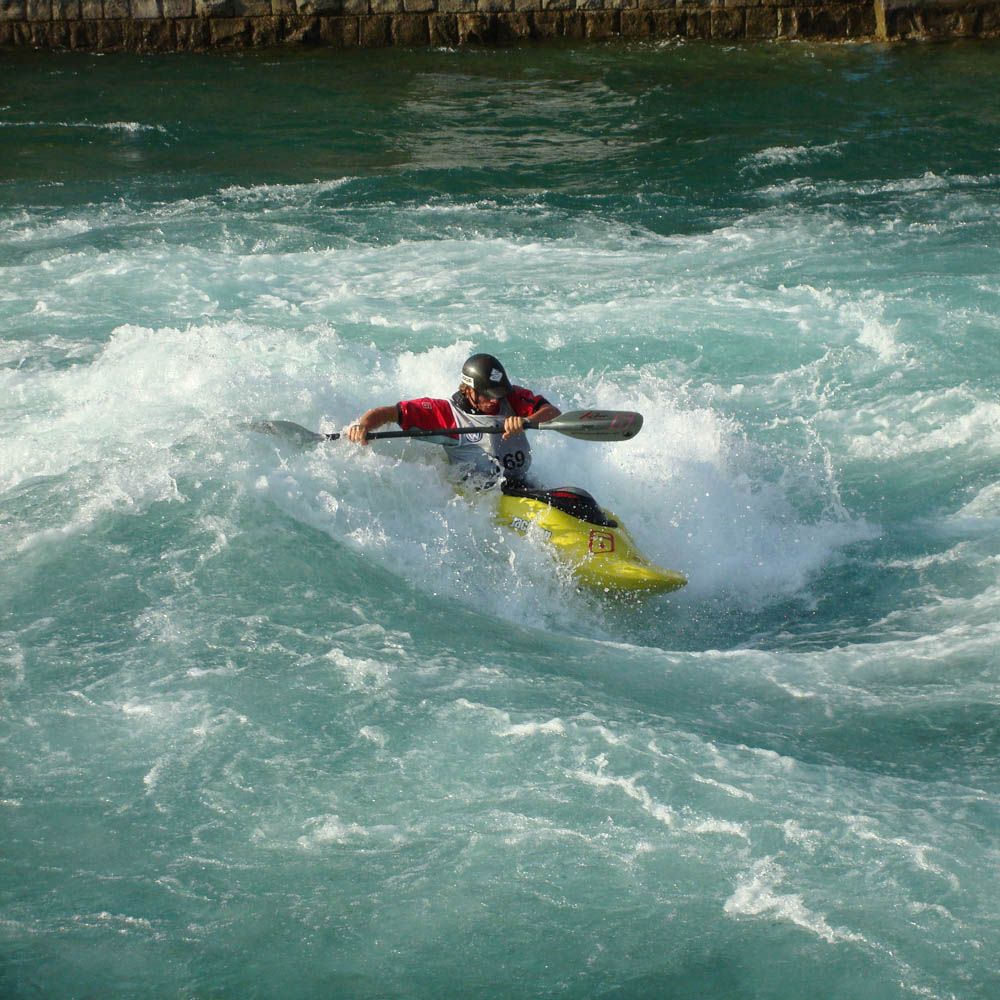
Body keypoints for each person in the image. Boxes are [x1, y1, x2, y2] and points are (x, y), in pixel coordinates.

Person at [346, 353, 561, 487]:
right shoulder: (447, 414)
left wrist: (527, 421)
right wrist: (363, 425)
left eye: (497, 394)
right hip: (485, 494)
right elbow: (391, 413)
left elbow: (552, 413)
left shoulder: (509, 395)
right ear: (468, 390)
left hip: (522, 483)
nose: (494, 401)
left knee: (576, 498)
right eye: (487, 395)